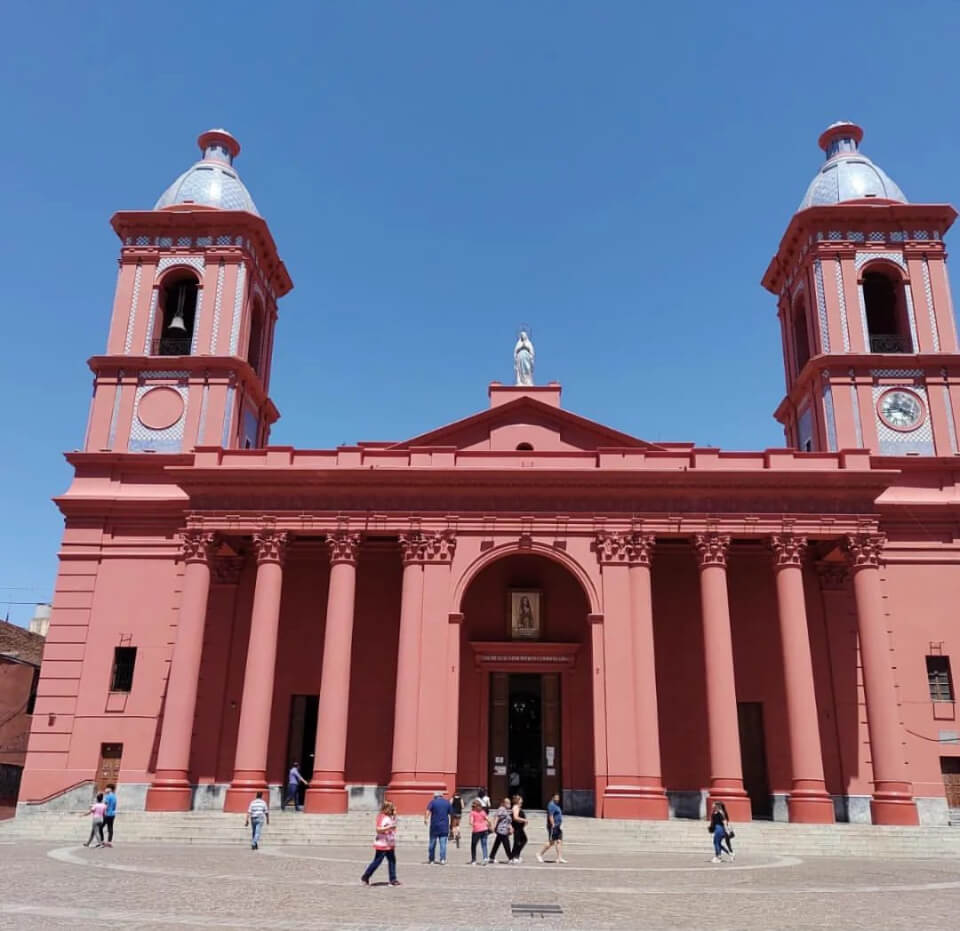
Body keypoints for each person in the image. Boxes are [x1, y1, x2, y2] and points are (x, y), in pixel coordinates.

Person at [361, 801, 401, 886]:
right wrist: (389, 827)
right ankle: (366, 876)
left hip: (389, 842)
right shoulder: (381, 817)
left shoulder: (391, 817)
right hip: (382, 843)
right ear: (386, 809)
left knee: (392, 861)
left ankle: (393, 879)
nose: (392, 810)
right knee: (377, 861)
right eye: (391, 809)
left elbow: (395, 823)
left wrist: (395, 815)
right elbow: (378, 829)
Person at [424, 790, 452, 864]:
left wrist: (426, 819)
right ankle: (442, 859)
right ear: (441, 796)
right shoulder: (447, 802)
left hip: (434, 826)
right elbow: (451, 813)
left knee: (432, 843)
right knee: (443, 844)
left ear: (435, 796)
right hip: (444, 826)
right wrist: (452, 824)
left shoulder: (433, 802)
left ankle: (431, 859)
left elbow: (428, 811)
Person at [537, 793, 566, 863]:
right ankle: (539, 854)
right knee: (552, 842)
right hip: (553, 826)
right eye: (556, 797)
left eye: (558, 798)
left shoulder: (556, 805)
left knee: (559, 841)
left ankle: (559, 858)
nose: (557, 799)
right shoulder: (551, 805)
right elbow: (550, 816)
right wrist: (553, 824)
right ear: (552, 798)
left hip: (558, 826)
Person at [488, 797, 513, 864]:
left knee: (497, 844)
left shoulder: (505, 810)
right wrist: (493, 826)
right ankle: (510, 858)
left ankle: (491, 857)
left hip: (504, 830)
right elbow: (496, 818)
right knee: (506, 844)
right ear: (503, 803)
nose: (509, 804)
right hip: (501, 830)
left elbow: (507, 821)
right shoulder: (502, 809)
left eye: (509, 802)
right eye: (507, 803)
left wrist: (510, 828)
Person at [468, 798, 490, 865]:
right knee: (484, 844)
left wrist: (473, 824)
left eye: (472, 806)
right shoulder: (483, 812)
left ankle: (474, 860)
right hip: (484, 830)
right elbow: (488, 820)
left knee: (473, 845)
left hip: (477, 830)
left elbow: (471, 822)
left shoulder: (472, 813)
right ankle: (485, 858)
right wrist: (488, 825)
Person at [510, 794, 529, 863]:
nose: (522, 801)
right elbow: (515, 817)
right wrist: (524, 820)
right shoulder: (515, 807)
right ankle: (514, 857)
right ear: (518, 801)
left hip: (520, 827)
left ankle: (514, 856)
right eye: (521, 799)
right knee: (518, 842)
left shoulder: (518, 807)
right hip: (517, 827)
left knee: (522, 840)